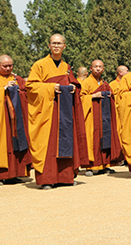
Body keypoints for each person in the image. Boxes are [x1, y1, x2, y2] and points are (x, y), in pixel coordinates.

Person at [26, 34, 89, 189]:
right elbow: (30, 86)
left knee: (66, 141)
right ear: (49, 46)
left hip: (64, 111)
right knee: (48, 143)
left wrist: (73, 87)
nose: (56, 46)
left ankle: (65, 177)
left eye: (59, 43)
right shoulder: (39, 65)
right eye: (53, 43)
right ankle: (47, 179)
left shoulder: (66, 67)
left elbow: (73, 82)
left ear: (64, 46)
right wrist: (50, 88)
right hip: (47, 111)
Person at [0, 54, 33, 185]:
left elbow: (27, 92)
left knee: (17, 143)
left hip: (17, 118)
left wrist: (18, 90)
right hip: (2, 118)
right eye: (5, 66)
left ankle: (15, 174)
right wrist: (3, 89)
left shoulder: (17, 79)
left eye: (10, 66)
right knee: (1, 144)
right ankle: (0, 175)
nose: (8, 68)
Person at [79, 60, 120, 175]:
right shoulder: (86, 83)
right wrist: (93, 96)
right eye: (95, 66)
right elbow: (80, 99)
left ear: (103, 69)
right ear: (90, 69)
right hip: (92, 116)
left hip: (105, 115)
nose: (98, 69)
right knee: (92, 140)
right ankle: (90, 166)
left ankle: (104, 165)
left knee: (105, 137)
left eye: (100, 67)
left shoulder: (105, 84)